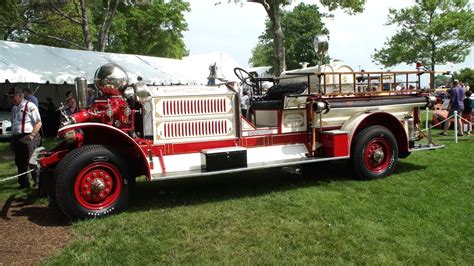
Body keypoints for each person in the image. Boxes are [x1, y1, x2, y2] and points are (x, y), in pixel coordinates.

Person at [9, 86, 42, 188]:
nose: (11, 99)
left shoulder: (30, 106)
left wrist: (32, 135)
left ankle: (38, 183)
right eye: (10, 97)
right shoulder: (14, 108)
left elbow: (38, 122)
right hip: (17, 137)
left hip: (29, 136)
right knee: (20, 161)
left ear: (20, 96)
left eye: (12, 97)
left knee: (32, 160)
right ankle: (23, 183)